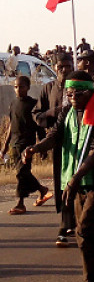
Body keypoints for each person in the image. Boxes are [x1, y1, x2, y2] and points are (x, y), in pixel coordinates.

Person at [23, 71, 94, 282]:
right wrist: (35, 148)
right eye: (69, 92)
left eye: (78, 92)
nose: (73, 96)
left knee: (85, 229)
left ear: (89, 92)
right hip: (75, 180)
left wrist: (75, 178)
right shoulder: (65, 112)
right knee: (84, 232)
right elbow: (55, 136)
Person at [32, 52, 76, 246]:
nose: (64, 70)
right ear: (55, 68)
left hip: (78, 142)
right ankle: (65, 223)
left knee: (78, 182)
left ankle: (76, 220)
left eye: (68, 66)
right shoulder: (48, 88)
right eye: (61, 67)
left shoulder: (78, 87)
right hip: (58, 142)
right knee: (61, 182)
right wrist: (53, 112)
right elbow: (37, 114)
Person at [2, 76, 52, 215]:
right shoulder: (13, 104)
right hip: (15, 144)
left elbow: (39, 127)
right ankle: (42, 190)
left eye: (21, 86)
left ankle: (20, 204)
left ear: (28, 87)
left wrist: (42, 147)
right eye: (16, 87)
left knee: (21, 173)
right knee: (23, 172)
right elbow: (11, 126)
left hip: (28, 145)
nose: (18, 89)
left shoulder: (33, 104)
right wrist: (5, 146)